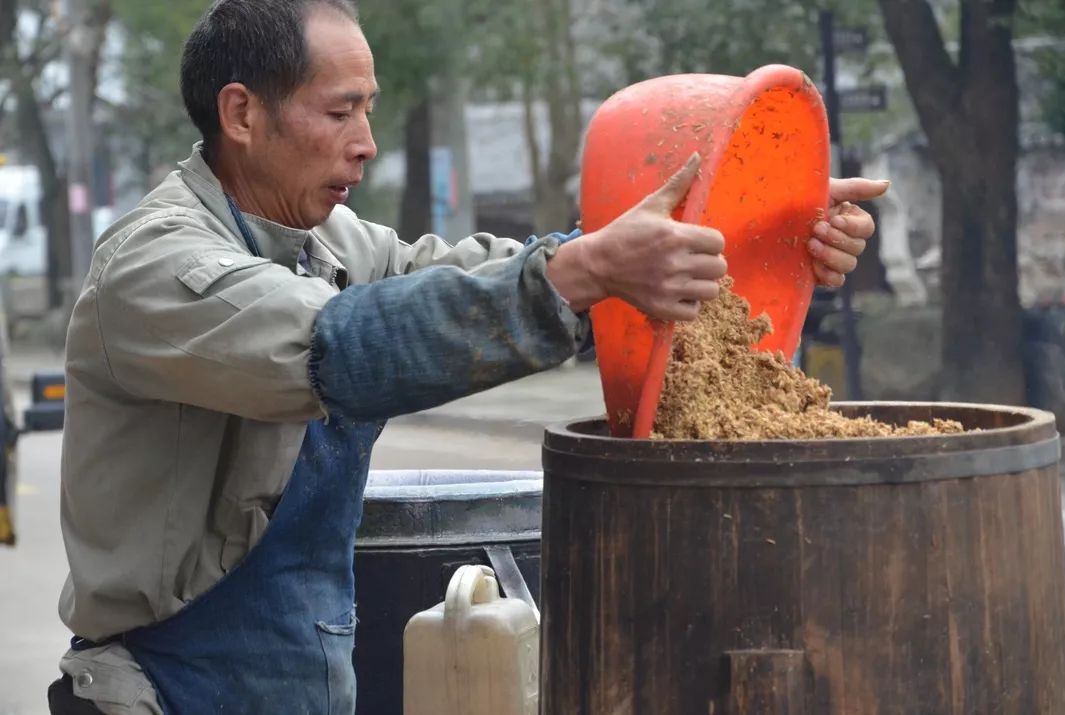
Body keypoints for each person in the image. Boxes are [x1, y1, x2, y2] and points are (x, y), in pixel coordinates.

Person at [47, 1, 886, 713]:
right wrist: (587, 272)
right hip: (168, 682)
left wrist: (746, 234)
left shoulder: (326, 240)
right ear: (241, 115)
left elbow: (475, 276)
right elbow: (339, 348)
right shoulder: (159, 265)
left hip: (309, 674)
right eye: (340, 112)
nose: (367, 141)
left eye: (368, 109)